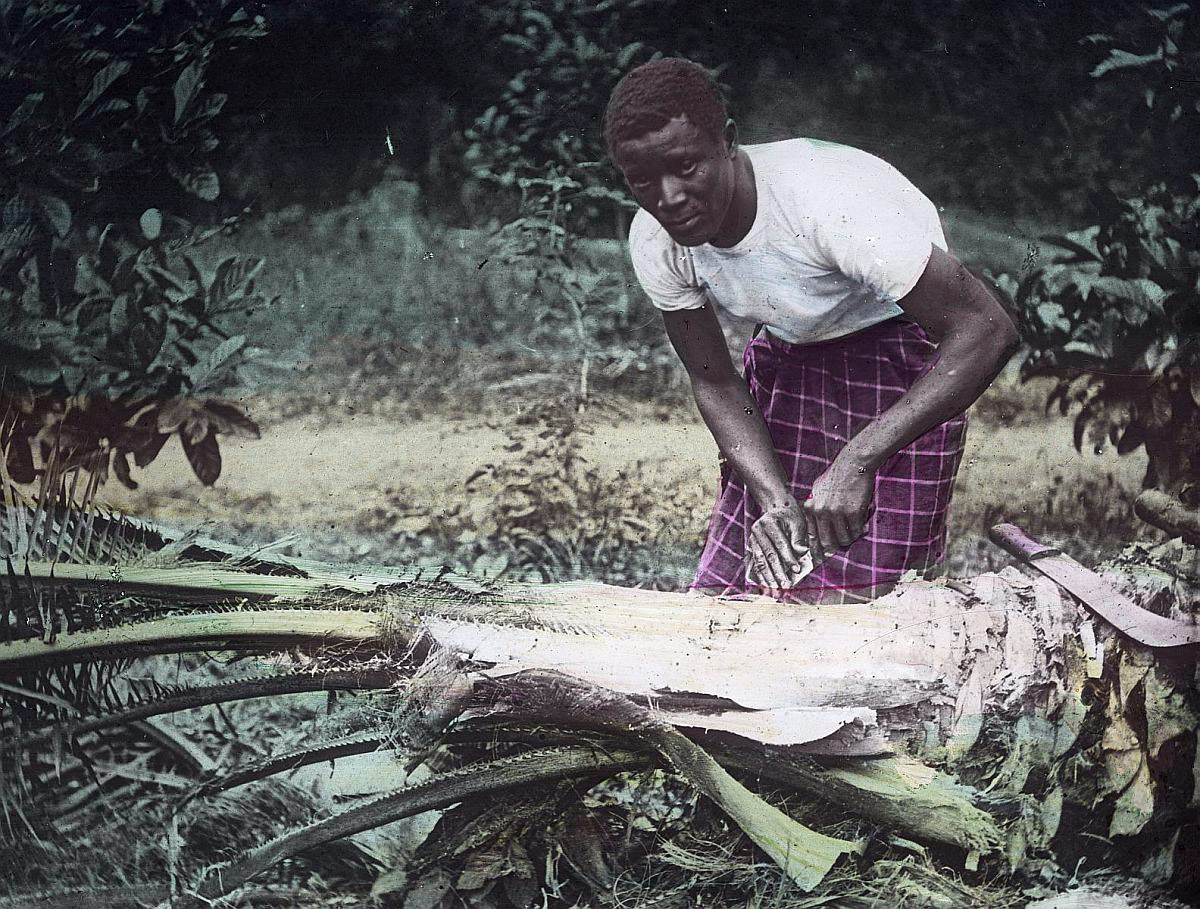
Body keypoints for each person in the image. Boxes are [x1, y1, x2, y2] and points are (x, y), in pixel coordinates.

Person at [604, 58, 1020, 603]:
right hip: (786, 355)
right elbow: (715, 382)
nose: (669, 197)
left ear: (728, 143)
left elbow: (987, 329)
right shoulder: (657, 239)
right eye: (643, 180)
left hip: (901, 357)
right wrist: (773, 500)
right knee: (733, 596)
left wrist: (859, 461)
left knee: (869, 612)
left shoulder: (827, 203)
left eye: (686, 167)